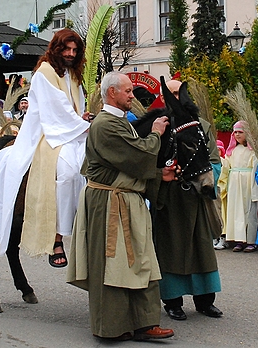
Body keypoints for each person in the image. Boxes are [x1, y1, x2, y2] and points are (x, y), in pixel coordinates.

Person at [66, 71, 174, 341]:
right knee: (112, 265)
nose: (131, 95)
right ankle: (111, 327)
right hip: (109, 204)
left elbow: (128, 163)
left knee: (140, 259)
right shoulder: (105, 125)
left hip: (125, 198)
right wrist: (156, 134)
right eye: (127, 91)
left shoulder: (119, 122)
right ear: (111, 93)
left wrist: (161, 175)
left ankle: (144, 323)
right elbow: (137, 155)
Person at [0, 28, 91, 268]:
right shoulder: (44, 72)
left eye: (75, 50)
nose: (71, 54)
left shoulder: (73, 73)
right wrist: (80, 124)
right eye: (67, 49)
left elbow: (72, 106)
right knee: (68, 172)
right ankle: (57, 238)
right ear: (57, 48)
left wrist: (83, 118)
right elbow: (55, 111)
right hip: (47, 134)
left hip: (72, 130)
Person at [153, 79, 223, 321]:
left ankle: (205, 301)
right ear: (164, 98)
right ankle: (172, 302)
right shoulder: (158, 126)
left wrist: (203, 180)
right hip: (169, 199)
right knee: (170, 249)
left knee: (201, 248)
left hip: (197, 199)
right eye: (171, 94)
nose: (176, 98)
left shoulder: (201, 126)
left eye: (179, 93)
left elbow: (214, 162)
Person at [218, 121, 258, 252]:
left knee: (249, 211)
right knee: (236, 212)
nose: (237, 134)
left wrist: (255, 188)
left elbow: (255, 168)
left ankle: (251, 241)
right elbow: (226, 167)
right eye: (235, 132)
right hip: (234, 184)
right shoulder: (232, 151)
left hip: (248, 183)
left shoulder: (254, 151)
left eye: (240, 132)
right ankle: (239, 240)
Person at [214, 139, 228, 250]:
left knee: (222, 215)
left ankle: (223, 238)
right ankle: (215, 236)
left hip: (221, 192)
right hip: (212, 191)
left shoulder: (224, 161)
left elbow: (225, 177)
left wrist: (222, 189)